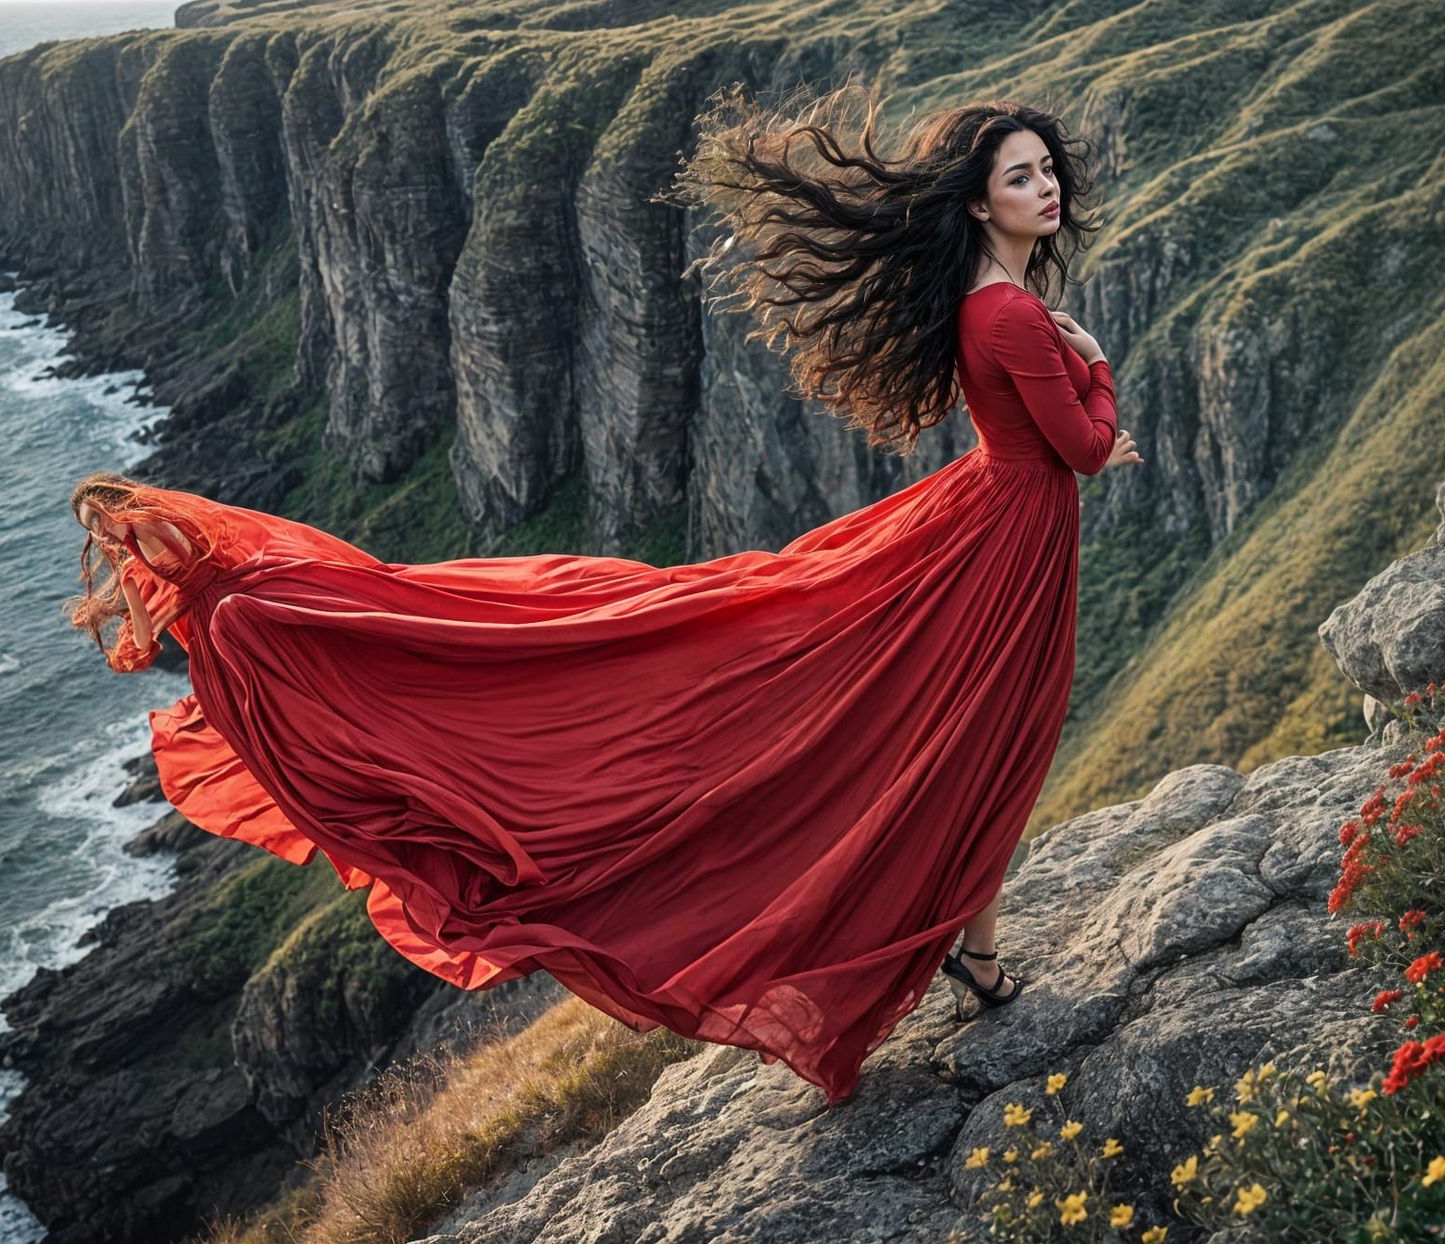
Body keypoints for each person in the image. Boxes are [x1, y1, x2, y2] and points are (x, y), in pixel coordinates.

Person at [65, 82, 1142, 1108]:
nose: (1043, 189)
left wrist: (1068, 362)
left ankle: (975, 949)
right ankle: (973, 954)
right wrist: (1089, 361)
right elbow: (1085, 451)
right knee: (989, 740)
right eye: (1018, 176)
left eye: (1045, 171)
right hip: (1003, 541)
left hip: (992, 526)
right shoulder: (1008, 317)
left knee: (984, 744)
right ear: (974, 199)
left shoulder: (1000, 304)